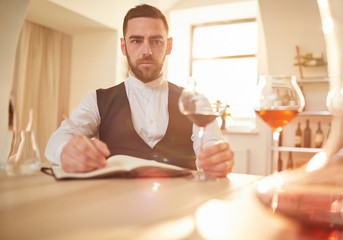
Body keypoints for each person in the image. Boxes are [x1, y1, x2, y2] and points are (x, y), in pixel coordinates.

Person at [45, 4, 234, 178]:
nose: (146, 51)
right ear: (123, 46)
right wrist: (66, 151)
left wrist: (217, 158)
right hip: (114, 203)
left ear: (168, 46)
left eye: (156, 41)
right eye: (136, 41)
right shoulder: (96, 99)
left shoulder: (196, 101)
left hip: (182, 203)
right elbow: (57, 139)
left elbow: (211, 145)